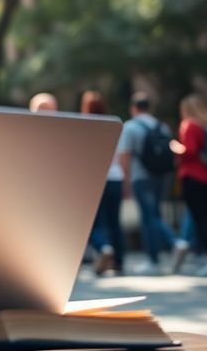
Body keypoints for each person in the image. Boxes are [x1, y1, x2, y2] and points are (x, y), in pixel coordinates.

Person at [116, 92, 188, 275]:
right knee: (153, 215)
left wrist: (125, 183)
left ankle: (173, 243)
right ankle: (154, 259)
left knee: (149, 217)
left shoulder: (130, 127)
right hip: (160, 176)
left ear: (133, 108)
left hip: (140, 177)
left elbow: (124, 156)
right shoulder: (160, 125)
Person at [172, 94, 207, 276]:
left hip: (195, 177)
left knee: (201, 218)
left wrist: (175, 147)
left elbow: (190, 151)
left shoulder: (189, 125)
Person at [81, 92, 126, 276]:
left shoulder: (84, 126)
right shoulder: (114, 125)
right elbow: (122, 155)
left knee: (93, 222)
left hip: (96, 180)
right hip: (116, 178)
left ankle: (103, 247)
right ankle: (119, 261)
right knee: (115, 222)